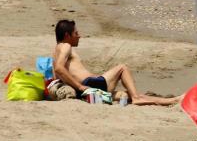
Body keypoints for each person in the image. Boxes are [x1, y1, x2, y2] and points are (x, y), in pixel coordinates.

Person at [52, 19, 182, 106]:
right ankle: (138, 98)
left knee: (127, 96)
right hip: (89, 85)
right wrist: (80, 87)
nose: (79, 35)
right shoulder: (66, 46)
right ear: (67, 35)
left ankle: (173, 100)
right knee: (122, 68)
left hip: (89, 89)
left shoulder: (56, 52)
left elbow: (57, 73)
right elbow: (59, 68)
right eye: (76, 33)